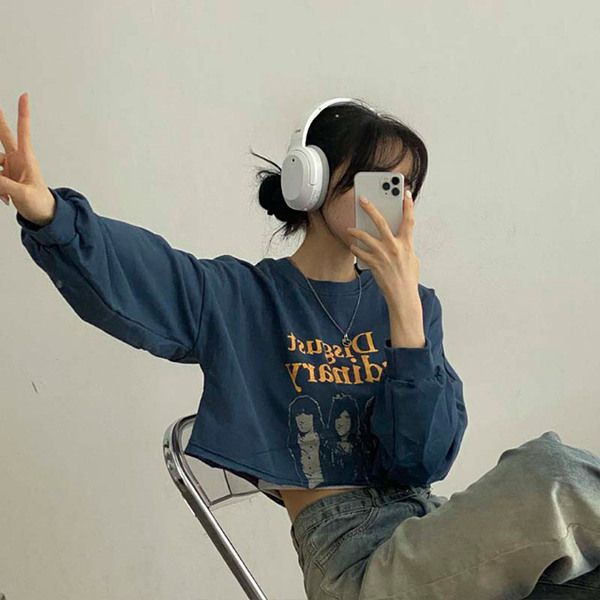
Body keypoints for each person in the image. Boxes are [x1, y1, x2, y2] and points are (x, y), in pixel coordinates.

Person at [3, 92, 600, 599]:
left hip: (428, 535)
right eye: (375, 179)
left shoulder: (415, 308)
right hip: (353, 566)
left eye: (402, 186)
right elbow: (142, 275)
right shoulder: (242, 298)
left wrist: (405, 311)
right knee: (551, 470)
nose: (390, 199)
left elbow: (420, 462)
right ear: (310, 180)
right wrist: (50, 214)